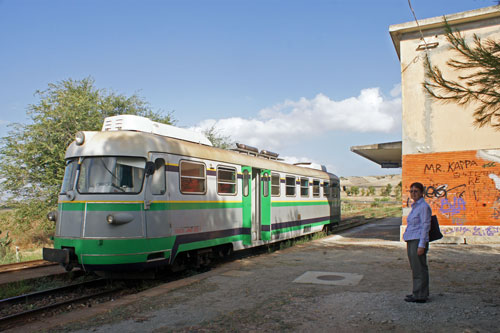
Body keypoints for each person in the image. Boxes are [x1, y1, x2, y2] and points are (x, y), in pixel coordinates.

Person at [403, 182, 431, 303]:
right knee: (415, 268)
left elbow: (426, 226)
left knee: (420, 268)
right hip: (411, 239)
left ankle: (421, 295)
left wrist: (422, 245)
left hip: (418, 240)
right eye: (411, 191)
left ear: (421, 193)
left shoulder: (423, 207)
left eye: (416, 191)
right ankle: (417, 292)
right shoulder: (415, 206)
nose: (413, 193)